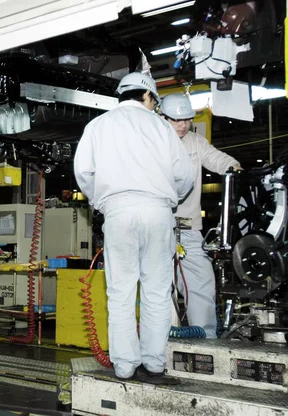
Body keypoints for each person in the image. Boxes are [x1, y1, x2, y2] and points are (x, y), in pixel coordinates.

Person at [74, 72, 194, 383]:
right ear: (149, 97)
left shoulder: (97, 125)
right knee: (155, 291)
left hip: (118, 212)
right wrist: (167, 199)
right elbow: (185, 176)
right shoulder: (161, 127)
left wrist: (101, 200)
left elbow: (84, 172)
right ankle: (154, 363)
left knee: (121, 292)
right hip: (157, 211)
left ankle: (125, 366)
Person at [160, 92, 241, 339]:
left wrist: (234, 167)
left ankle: (205, 339)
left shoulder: (196, 142)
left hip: (188, 230)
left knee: (202, 281)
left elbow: (216, 158)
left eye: (186, 119)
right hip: (157, 228)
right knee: (159, 286)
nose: (183, 125)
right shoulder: (151, 144)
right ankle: (158, 341)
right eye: (176, 120)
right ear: (162, 117)